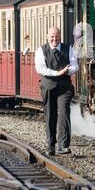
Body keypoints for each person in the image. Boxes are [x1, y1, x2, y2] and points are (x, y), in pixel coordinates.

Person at [35, 27, 78, 156]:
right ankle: (50, 145)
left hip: (64, 87)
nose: (55, 39)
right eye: (52, 36)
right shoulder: (41, 51)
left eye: (57, 36)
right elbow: (41, 69)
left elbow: (75, 65)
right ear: (48, 37)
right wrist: (58, 72)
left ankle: (63, 145)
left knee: (64, 112)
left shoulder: (68, 49)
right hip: (48, 86)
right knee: (50, 115)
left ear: (60, 36)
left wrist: (68, 71)